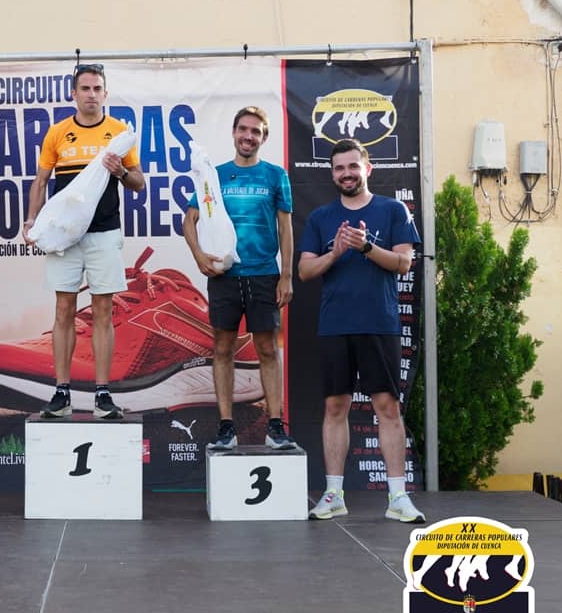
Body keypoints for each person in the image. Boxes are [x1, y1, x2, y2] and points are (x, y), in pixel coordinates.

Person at [298, 138, 425, 523]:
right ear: (332, 174)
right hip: (335, 325)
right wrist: (335, 253)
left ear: (367, 168)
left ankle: (398, 497)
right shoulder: (321, 217)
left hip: (379, 323)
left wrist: (367, 247)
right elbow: (304, 271)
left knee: (387, 408)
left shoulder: (393, 210)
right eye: (339, 168)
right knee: (335, 407)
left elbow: (404, 263)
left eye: (353, 166)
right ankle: (333, 494)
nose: (346, 173)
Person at [22, 63, 145, 419]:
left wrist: (120, 171)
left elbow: (139, 183)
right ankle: (61, 393)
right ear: (73, 94)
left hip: (104, 232)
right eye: (85, 89)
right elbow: (40, 181)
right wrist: (31, 221)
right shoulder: (58, 133)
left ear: (106, 94)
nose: (91, 95)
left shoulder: (118, 132)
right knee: (64, 310)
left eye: (97, 89)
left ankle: (102, 394)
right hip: (64, 236)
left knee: (103, 312)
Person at [182, 106, 295, 450]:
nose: (248, 136)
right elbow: (189, 220)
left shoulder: (276, 175)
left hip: (264, 274)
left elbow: (285, 227)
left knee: (267, 349)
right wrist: (199, 256)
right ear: (233, 133)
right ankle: (226, 428)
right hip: (225, 276)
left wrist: (286, 276)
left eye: (256, 131)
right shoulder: (215, 176)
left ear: (264, 138)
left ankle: (275, 428)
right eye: (243, 129)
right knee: (222, 349)